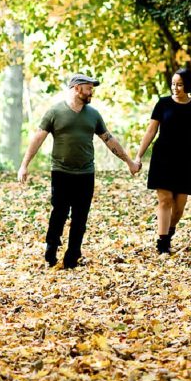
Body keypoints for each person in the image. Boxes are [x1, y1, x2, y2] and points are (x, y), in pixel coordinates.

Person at [17, 73, 138, 268]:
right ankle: (51, 246)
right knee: (60, 212)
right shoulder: (55, 112)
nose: (92, 92)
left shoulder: (93, 114)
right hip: (61, 172)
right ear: (77, 88)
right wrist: (24, 165)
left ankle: (72, 256)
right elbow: (38, 138)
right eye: (89, 88)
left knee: (80, 216)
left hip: (86, 173)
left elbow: (108, 139)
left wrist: (129, 161)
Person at [133, 68, 191, 253]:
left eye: (179, 84)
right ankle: (163, 243)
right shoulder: (163, 104)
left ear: (188, 85)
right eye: (173, 84)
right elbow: (151, 131)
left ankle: (170, 229)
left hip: (185, 159)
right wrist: (139, 155)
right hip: (162, 156)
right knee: (165, 200)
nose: (175, 88)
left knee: (179, 206)